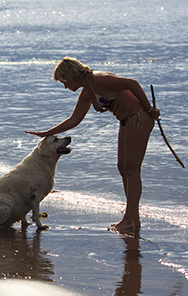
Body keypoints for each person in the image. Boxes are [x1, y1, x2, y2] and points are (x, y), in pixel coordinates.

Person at [26, 57, 160, 232]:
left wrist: (149, 109)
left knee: (131, 170)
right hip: (126, 120)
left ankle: (130, 219)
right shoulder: (88, 90)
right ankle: (133, 219)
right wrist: (47, 133)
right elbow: (74, 120)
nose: (65, 86)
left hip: (138, 118)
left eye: (65, 82)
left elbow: (132, 84)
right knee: (123, 167)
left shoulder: (99, 79)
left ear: (72, 75)